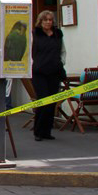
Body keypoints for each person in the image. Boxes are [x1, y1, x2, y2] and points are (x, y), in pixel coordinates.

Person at [31, 10, 66, 141]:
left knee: (52, 103)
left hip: (54, 71)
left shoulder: (57, 34)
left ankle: (47, 131)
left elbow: (63, 51)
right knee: (43, 100)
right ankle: (38, 131)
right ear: (40, 21)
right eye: (45, 20)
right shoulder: (35, 34)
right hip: (39, 72)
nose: (48, 22)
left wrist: (61, 63)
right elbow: (29, 52)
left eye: (50, 20)